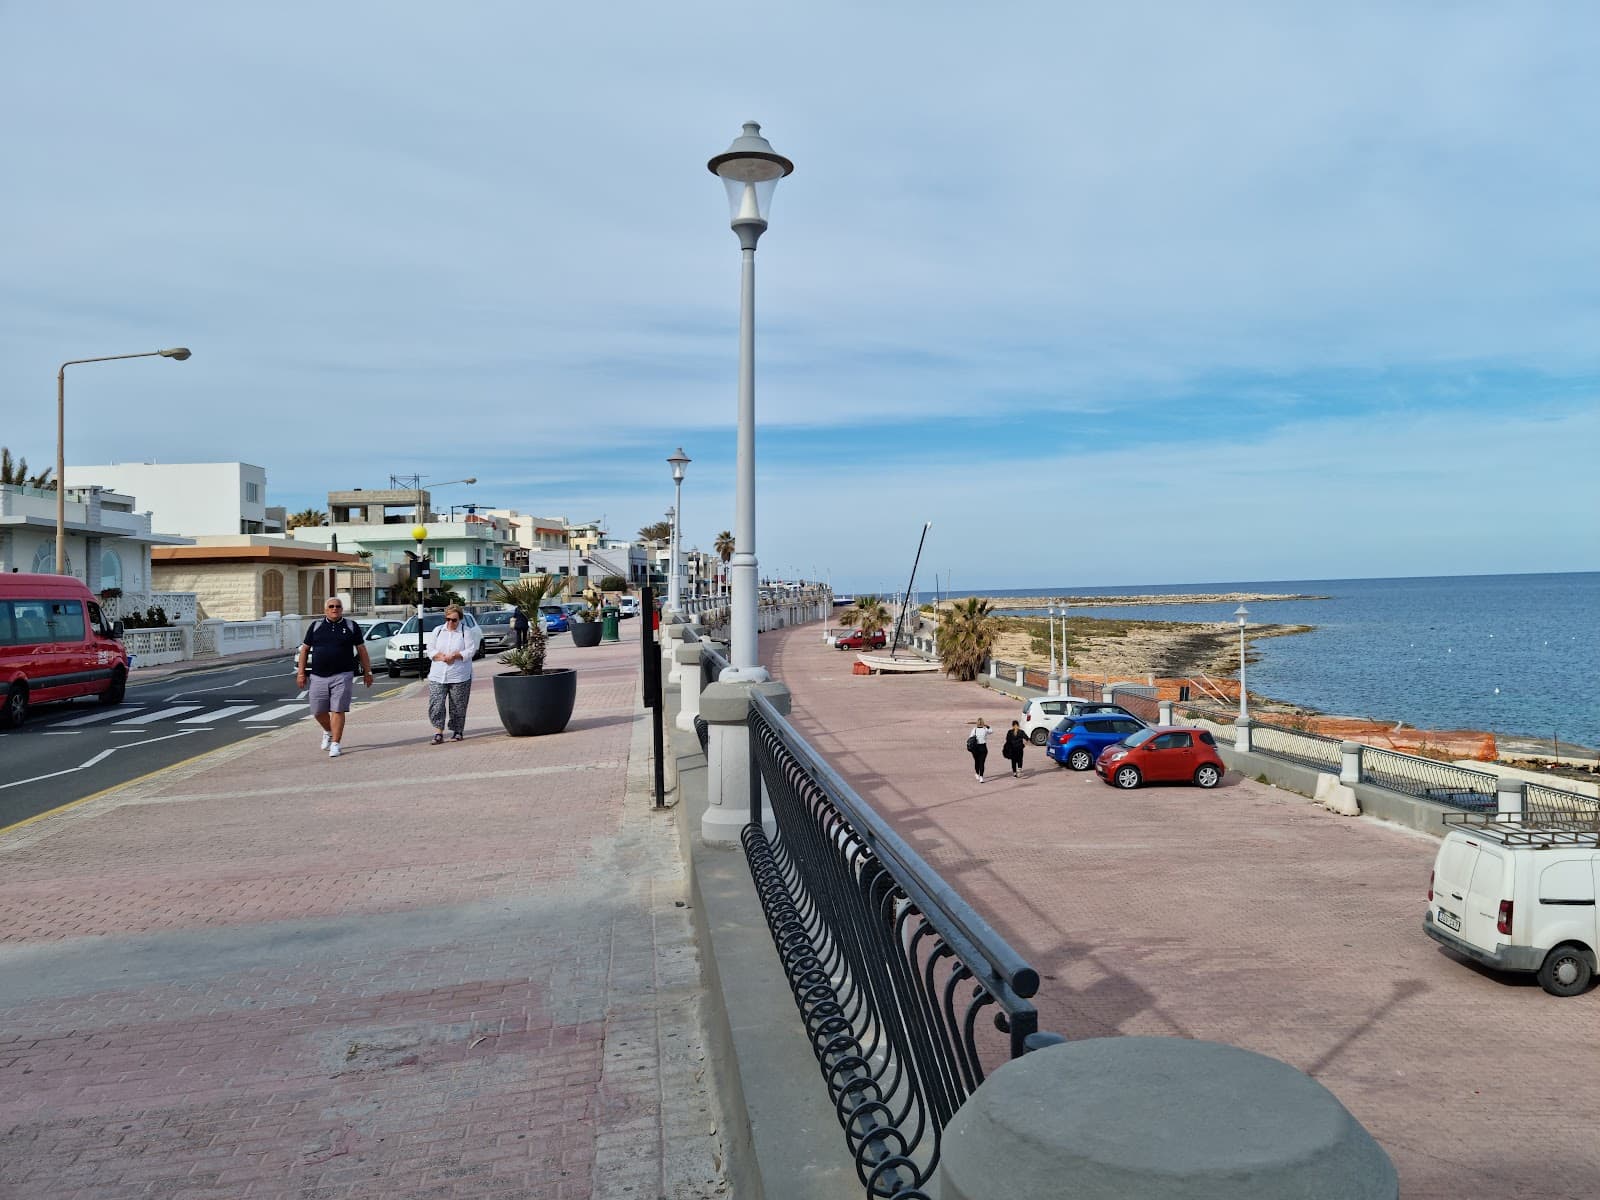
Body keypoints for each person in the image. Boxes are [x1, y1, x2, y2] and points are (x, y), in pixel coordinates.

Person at [295, 599, 373, 759]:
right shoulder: (316, 626)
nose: (334, 609)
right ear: (325, 610)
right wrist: (301, 673)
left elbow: (362, 650)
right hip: (318, 675)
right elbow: (305, 650)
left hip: (343, 674)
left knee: (338, 709)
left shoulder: (351, 626)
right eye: (331, 606)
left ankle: (336, 744)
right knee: (317, 711)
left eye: (338, 606)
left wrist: (368, 672)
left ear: (342, 609)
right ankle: (328, 731)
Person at [426, 603, 480, 743]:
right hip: (438, 675)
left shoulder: (465, 632)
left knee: (458, 705)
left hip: (459, 675)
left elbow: (470, 651)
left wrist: (456, 656)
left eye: (454, 620)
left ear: (460, 619)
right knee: (436, 704)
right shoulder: (438, 631)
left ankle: (457, 731)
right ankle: (438, 732)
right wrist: (440, 657)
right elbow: (430, 649)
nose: (450, 623)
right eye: (448, 619)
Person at [967, 717, 991, 783]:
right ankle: (981, 777)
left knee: (977, 761)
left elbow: (970, 738)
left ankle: (977, 774)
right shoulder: (985, 729)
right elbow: (991, 731)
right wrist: (986, 725)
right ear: (983, 723)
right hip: (983, 747)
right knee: (982, 763)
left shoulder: (974, 729)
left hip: (975, 748)